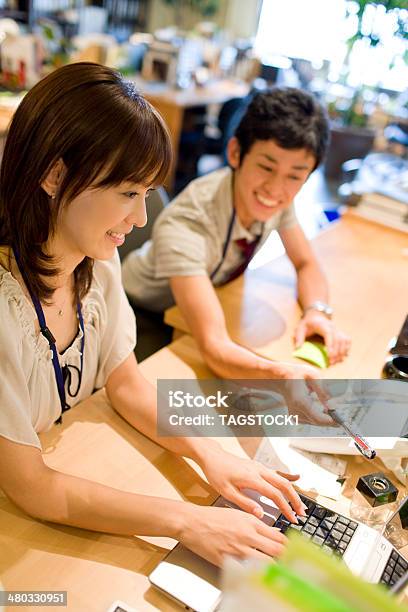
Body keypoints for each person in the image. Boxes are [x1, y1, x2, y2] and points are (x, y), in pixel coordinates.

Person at [0, 62, 311, 568]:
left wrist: (211, 455)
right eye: (128, 193)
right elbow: (31, 488)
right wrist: (187, 519)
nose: (141, 218)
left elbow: (126, 385)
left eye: (146, 194)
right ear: (54, 175)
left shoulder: (96, 263)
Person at [122, 87, 351, 424]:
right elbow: (214, 347)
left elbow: (306, 263)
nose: (276, 189)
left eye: (295, 176)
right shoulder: (188, 221)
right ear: (235, 152)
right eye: (266, 167)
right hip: (141, 314)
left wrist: (317, 312)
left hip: (194, 308)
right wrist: (281, 377)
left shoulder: (276, 203)